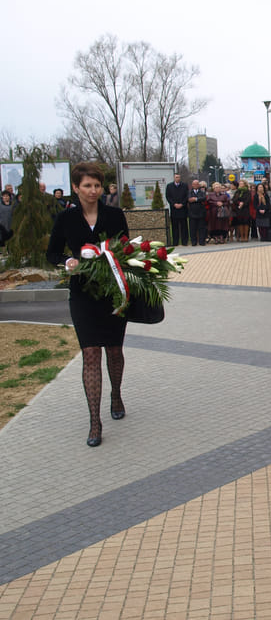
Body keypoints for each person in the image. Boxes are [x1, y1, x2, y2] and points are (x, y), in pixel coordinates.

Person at [46, 162, 131, 447]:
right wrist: (67, 260)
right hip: (82, 293)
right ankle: (95, 422)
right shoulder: (66, 218)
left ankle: (116, 394)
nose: (93, 191)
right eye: (87, 186)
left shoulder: (115, 215)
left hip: (112, 291)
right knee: (91, 353)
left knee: (114, 350)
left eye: (97, 185)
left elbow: (126, 246)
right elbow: (52, 252)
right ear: (75, 188)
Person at [166, 173, 189, 246]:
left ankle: (184, 241)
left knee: (184, 227)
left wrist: (182, 204)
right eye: (176, 177)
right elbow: (168, 196)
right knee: (174, 227)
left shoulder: (184, 186)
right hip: (174, 209)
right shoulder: (169, 186)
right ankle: (175, 242)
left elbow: (187, 196)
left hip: (183, 209)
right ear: (174, 178)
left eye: (179, 177)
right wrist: (174, 204)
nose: (177, 178)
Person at [187, 179, 208, 246]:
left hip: (201, 212)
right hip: (192, 212)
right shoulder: (189, 192)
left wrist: (195, 199)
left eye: (197, 184)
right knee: (192, 228)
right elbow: (189, 199)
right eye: (194, 184)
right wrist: (196, 199)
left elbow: (203, 198)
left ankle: (202, 241)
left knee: (201, 228)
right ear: (192, 185)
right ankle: (194, 242)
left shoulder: (202, 191)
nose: (195, 185)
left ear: (198, 185)